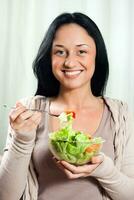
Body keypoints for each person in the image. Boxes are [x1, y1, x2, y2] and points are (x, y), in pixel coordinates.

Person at [0, 12, 134, 200]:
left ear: (97, 56)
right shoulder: (28, 111)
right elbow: (6, 196)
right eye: (60, 52)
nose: (70, 62)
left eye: (82, 51)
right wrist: (21, 141)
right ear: (49, 57)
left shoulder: (120, 114)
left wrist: (104, 170)